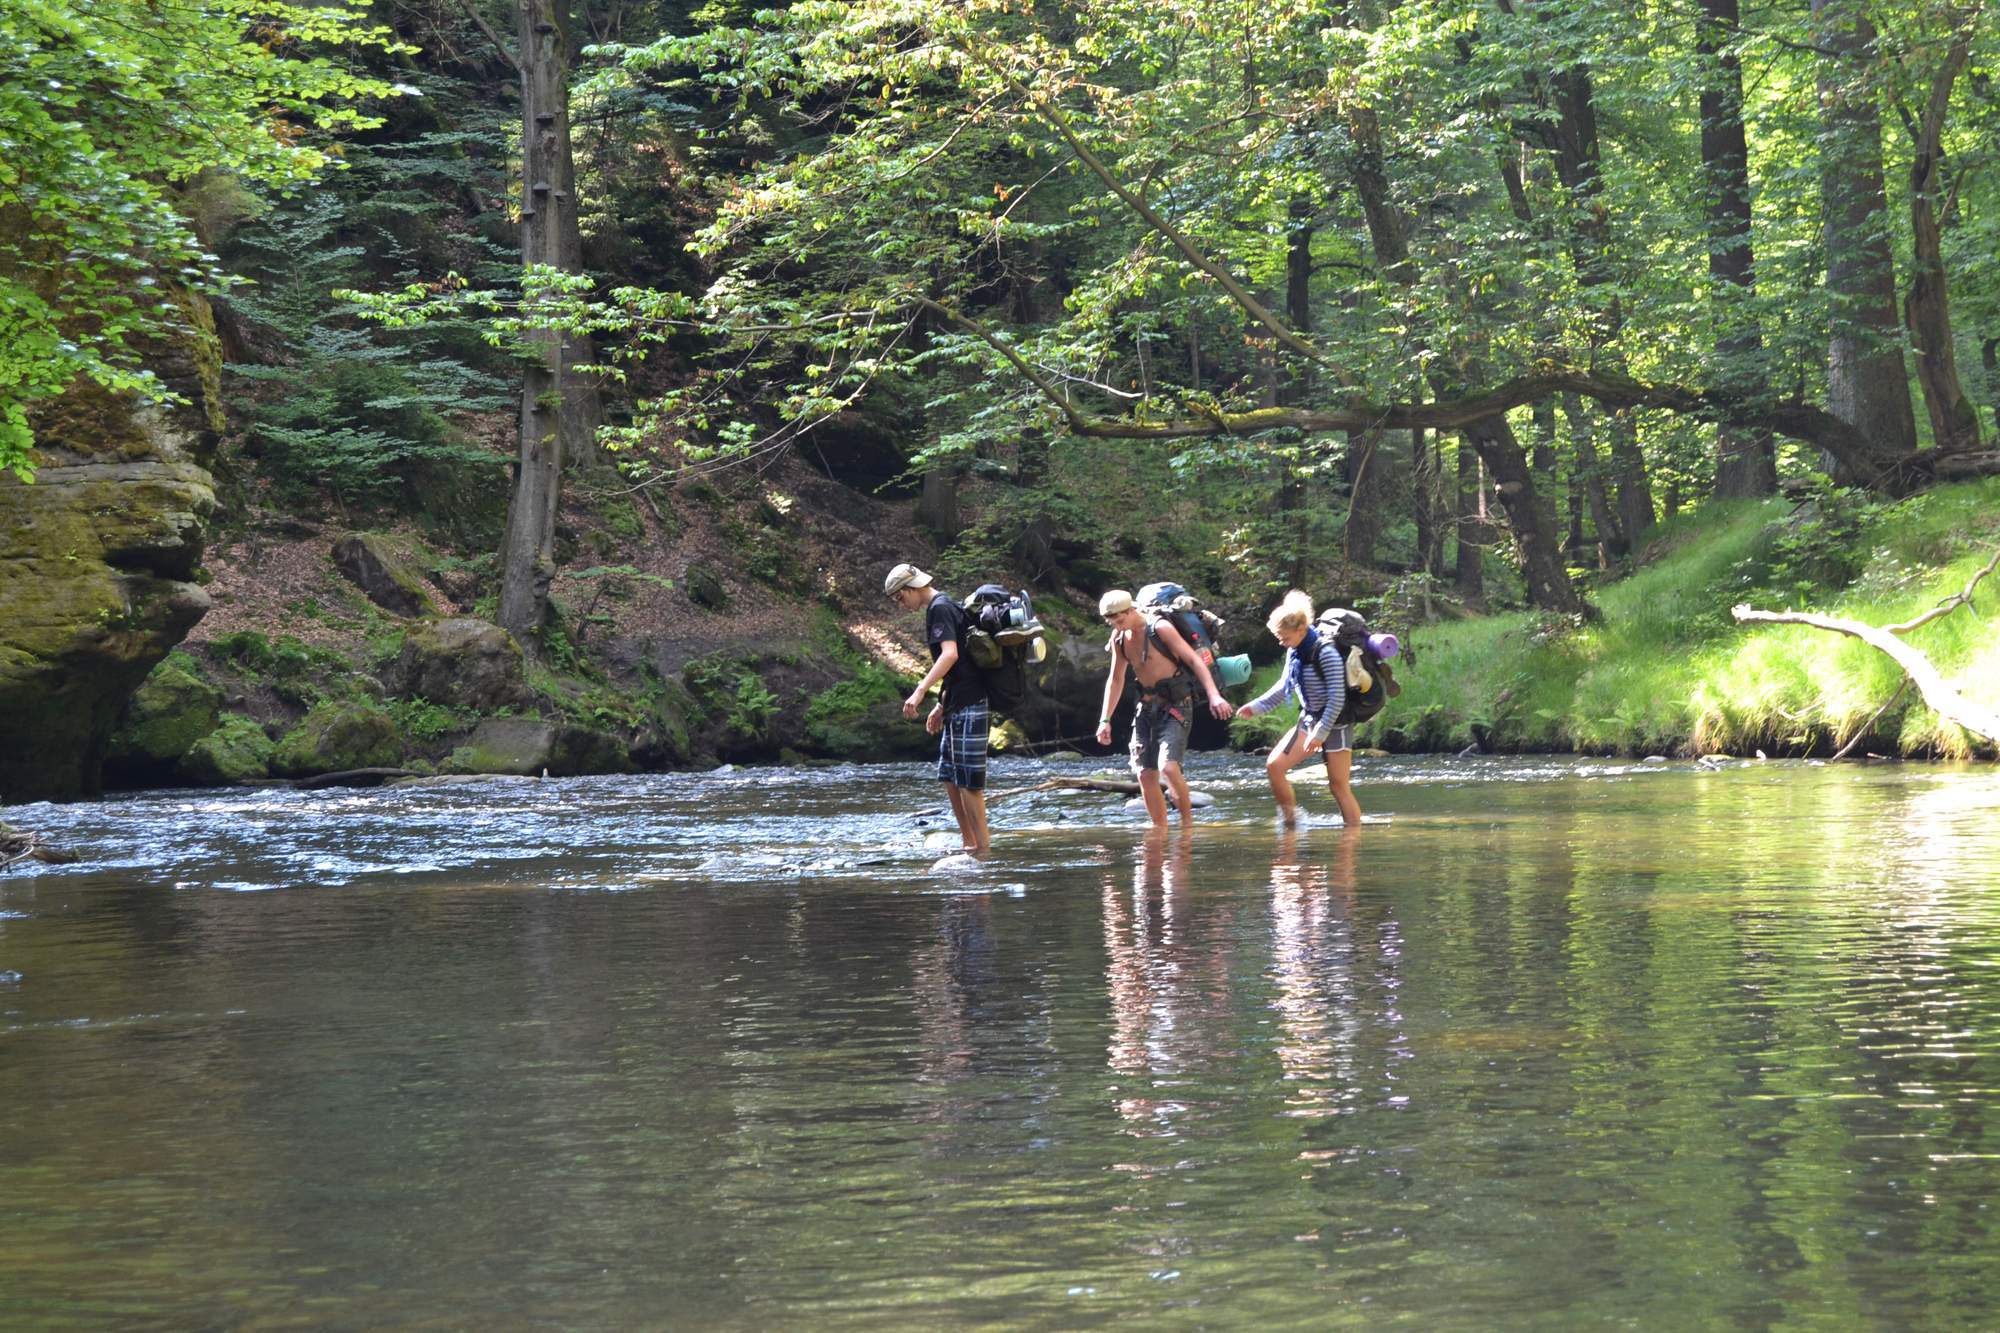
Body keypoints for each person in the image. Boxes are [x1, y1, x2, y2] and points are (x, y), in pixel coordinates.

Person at [1094, 588, 1234, 827]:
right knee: (1145, 775)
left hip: (1177, 704)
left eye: (1120, 620)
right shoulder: (1119, 639)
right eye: (1111, 622)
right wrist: (1104, 720)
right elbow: (1115, 679)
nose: (1116, 625)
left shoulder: (1159, 628)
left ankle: (1186, 828)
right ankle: (1159, 832)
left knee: (1168, 768)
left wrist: (1214, 695)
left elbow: (1193, 660)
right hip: (1145, 709)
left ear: (1131, 610)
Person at [886, 562, 991, 855]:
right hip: (957, 702)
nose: (901, 604)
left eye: (899, 597)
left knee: (969, 782)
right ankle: (969, 843)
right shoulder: (942, 607)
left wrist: (920, 691)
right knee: (950, 776)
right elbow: (961, 664)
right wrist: (941, 706)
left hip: (971, 702)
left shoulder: (941, 608)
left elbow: (951, 655)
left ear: (910, 589)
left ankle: (982, 851)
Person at [1236, 589, 1362, 827]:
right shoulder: (1294, 652)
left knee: (1338, 786)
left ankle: (1352, 842)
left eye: (1284, 638)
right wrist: (1256, 707)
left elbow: (1337, 697)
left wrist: (1321, 733)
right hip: (1310, 719)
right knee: (1274, 766)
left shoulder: (1327, 653)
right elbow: (1284, 686)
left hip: (1336, 723)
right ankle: (1291, 824)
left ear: (1301, 629)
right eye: (1279, 638)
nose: (1282, 643)